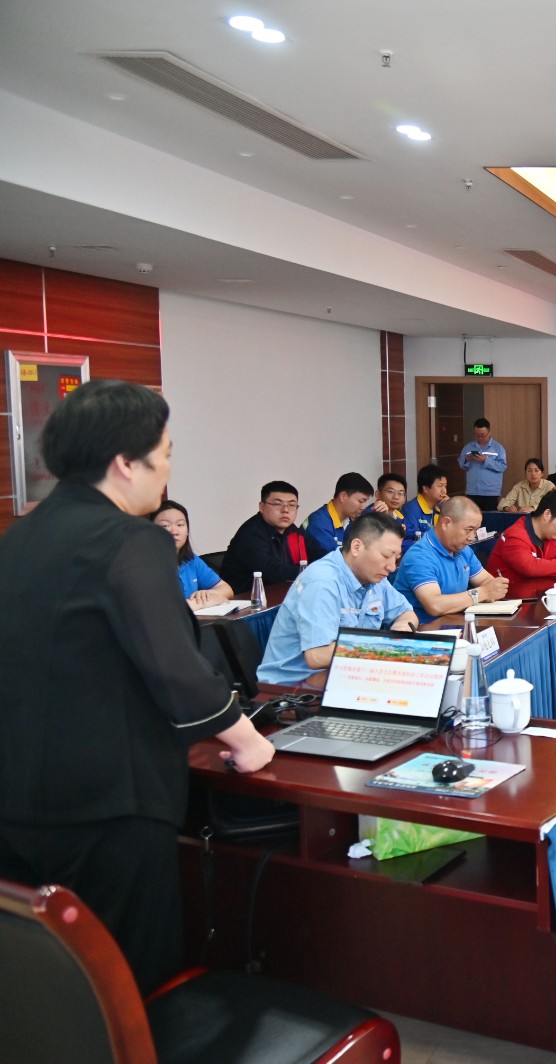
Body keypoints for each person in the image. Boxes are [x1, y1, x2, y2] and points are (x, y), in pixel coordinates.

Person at [0, 379, 275, 993]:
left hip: (18, 795)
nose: (168, 471)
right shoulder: (132, 540)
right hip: (108, 804)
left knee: (46, 980)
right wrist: (247, 739)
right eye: (166, 454)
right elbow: (173, 663)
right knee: (127, 979)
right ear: (126, 463)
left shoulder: (21, 536)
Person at [256, 512, 419, 685]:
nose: (392, 567)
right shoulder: (323, 582)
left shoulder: (374, 577)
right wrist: (383, 647)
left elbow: (407, 613)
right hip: (293, 685)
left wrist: (400, 631)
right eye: (386, 556)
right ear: (356, 547)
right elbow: (317, 656)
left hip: (342, 671)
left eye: (396, 558)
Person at [391, 497, 511, 624]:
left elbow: (486, 581)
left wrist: (496, 587)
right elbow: (435, 605)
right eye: (469, 530)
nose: (472, 537)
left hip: (457, 624)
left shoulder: (463, 550)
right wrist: (482, 593)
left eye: (475, 531)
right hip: (425, 629)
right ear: (446, 523)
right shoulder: (420, 556)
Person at [220, 480, 320, 592]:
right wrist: (316, 571)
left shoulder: (291, 530)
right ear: (261, 507)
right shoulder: (250, 533)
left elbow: (318, 553)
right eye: (277, 504)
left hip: (280, 593)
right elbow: (273, 572)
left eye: (292, 505)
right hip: (247, 598)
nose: (285, 510)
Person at [487, 492, 556, 599]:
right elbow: (530, 567)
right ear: (547, 514)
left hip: (537, 597)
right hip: (508, 601)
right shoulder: (515, 535)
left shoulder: (552, 536)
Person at [152, 500, 234, 608]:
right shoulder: (143, 565)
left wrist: (208, 595)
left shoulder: (191, 560)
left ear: (187, 531)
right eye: (165, 526)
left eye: (180, 524)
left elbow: (227, 590)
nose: (174, 531)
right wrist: (198, 603)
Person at [304, 471, 376, 555]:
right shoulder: (319, 523)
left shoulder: (348, 521)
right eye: (360, 501)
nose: (363, 507)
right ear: (343, 496)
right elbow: (338, 558)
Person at [458, 417, 508, 512]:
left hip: (490, 493)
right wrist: (467, 459)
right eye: (477, 435)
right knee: (471, 518)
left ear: (489, 432)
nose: (480, 438)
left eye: (483, 435)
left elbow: (502, 466)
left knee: (489, 518)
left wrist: (486, 460)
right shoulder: (468, 447)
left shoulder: (498, 448)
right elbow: (461, 465)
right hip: (472, 491)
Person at [400, 464, 450, 543]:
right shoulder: (411, 509)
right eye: (440, 486)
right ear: (425, 488)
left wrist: (450, 508)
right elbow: (411, 538)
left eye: (445, 486)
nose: (444, 491)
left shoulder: (442, 507)